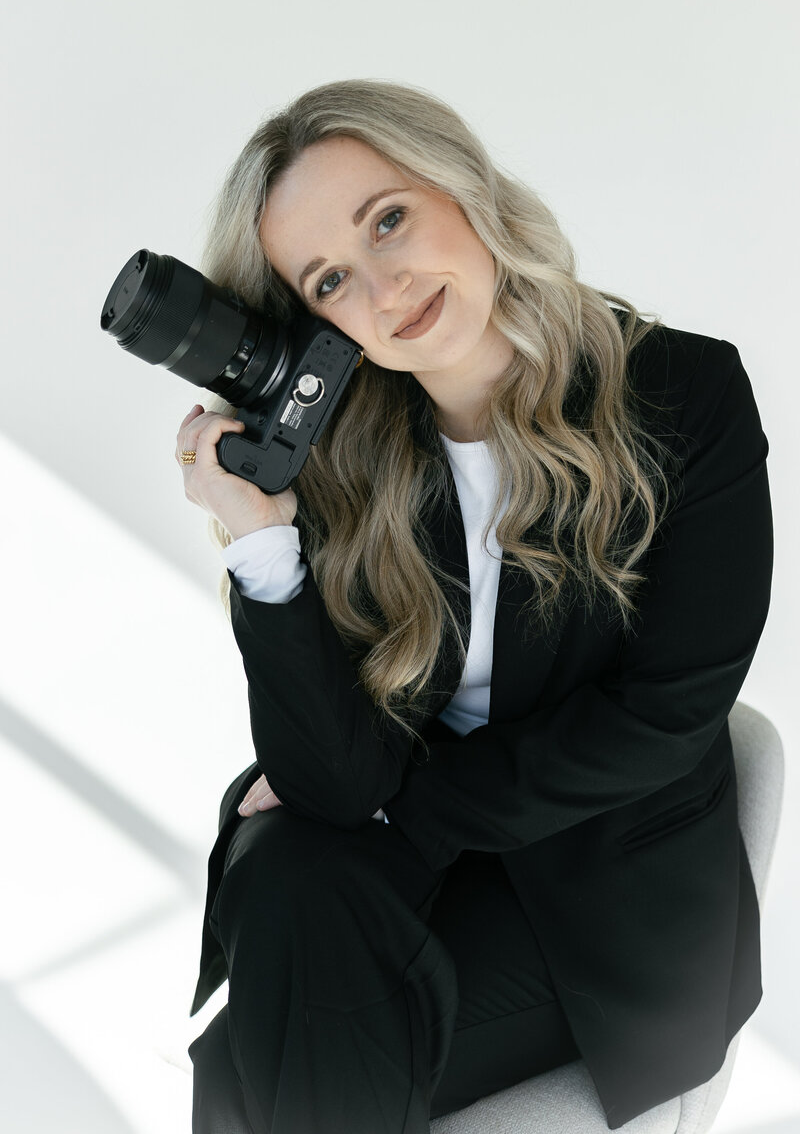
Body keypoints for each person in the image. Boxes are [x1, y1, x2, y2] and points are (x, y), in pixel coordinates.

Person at [180, 79, 773, 1134]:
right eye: (330, 280)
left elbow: (664, 715)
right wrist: (262, 543)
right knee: (280, 881)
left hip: (604, 918)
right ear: (319, 330)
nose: (384, 283)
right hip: (409, 882)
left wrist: (403, 810)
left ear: (459, 185)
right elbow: (331, 781)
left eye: (388, 219)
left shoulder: (684, 396)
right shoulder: (354, 468)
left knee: (258, 1070)